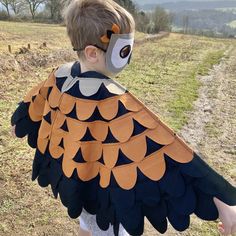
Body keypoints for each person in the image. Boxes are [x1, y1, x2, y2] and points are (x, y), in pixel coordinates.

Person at [11, 0, 236, 236]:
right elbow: (169, 151)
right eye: (124, 50)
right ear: (92, 52)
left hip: (79, 186)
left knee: (87, 225)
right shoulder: (114, 100)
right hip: (107, 198)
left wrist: (18, 124)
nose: (129, 58)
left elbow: (27, 113)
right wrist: (221, 198)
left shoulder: (59, 76)